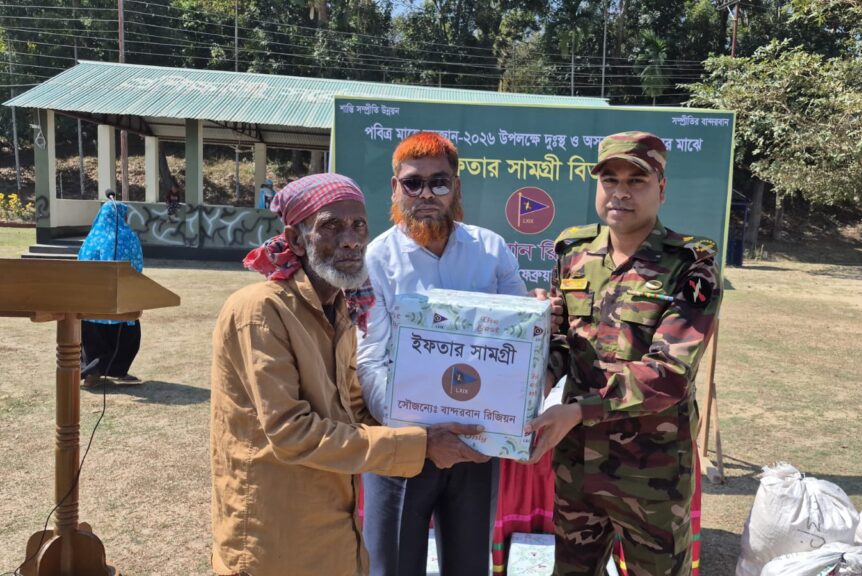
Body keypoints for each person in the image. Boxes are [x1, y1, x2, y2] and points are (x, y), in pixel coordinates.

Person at [210, 173, 487, 576]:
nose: (352, 239)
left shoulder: (339, 309)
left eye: (358, 225)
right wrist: (421, 444)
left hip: (332, 523)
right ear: (297, 239)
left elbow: (351, 404)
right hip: (274, 533)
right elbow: (292, 431)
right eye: (332, 226)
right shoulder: (260, 310)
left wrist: (432, 422)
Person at [525, 132, 722, 576]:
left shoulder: (691, 264)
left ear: (661, 189)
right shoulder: (572, 253)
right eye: (609, 179)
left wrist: (577, 411)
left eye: (637, 181)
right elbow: (562, 343)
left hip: (650, 474)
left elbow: (669, 374)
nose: (621, 191)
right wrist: (534, 369)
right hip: (577, 467)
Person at [358, 131, 551, 576]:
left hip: (477, 449)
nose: (426, 194)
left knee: (469, 567)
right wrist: (424, 439)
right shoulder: (376, 261)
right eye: (413, 183)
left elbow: (522, 349)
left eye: (439, 182)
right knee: (393, 568)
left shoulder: (491, 250)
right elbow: (369, 360)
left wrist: (496, 431)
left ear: (457, 188)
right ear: (395, 189)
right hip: (402, 448)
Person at [78, 196, 144, 388]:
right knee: (128, 338)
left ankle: (93, 373)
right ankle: (117, 371)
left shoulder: (91, 237)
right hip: (120, 299)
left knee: (93, 340)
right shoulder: (128, 236)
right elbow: (137, 265)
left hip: (91, 301)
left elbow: (80, 264)